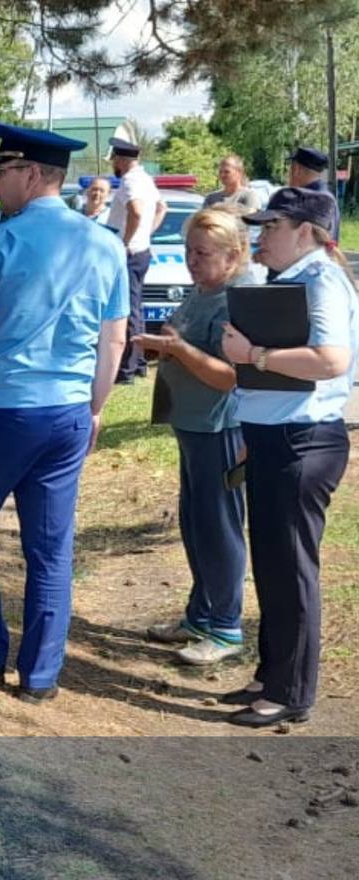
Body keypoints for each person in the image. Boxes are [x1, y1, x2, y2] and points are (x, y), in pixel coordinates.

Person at [0, 121, 129, 703]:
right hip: (67, 412)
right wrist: (95, 410)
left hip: (1, 410)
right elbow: (114, 342)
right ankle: (41, 676)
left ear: (33, 175)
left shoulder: (4, 241)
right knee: (50, 547)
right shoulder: (105, 243)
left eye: (1, 172)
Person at [219, 187, 358, 727]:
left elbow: (330, 360)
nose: (261, 236)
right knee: (272, 564)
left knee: (291, 568)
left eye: (271, 225)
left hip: (305, 441)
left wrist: (253, 356)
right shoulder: (295, 279)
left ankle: (292, 691)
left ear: (306, 232)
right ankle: (271, 674)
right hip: (278, 437)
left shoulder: (321, 280)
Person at [132, 208, 249, 665]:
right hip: (192, 424)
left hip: (220, 427)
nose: (191, 260)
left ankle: (225, 626)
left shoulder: (233, 300)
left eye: (202, 253)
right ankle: (200, 616)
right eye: (188, 251)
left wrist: (177, 348)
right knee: (196, 524)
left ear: (232, 255)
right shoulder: (204, 291)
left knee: (219, 529)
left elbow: (229, 377)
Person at [106, 137, 166, 384]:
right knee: (136, 307)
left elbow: (137, 211)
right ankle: (138, 362)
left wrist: (126, 241)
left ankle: (128, 368)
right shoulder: (145, 179)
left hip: (129, 253)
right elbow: (162, 208)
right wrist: (145, 235)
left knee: (127, 309)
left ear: (119, 159)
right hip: (141, 250)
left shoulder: (130, 180)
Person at [287, 147, 342, 241]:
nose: (288, 175)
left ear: (296, 170)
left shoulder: (311, 199)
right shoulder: (324, 196)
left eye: (290, 169)